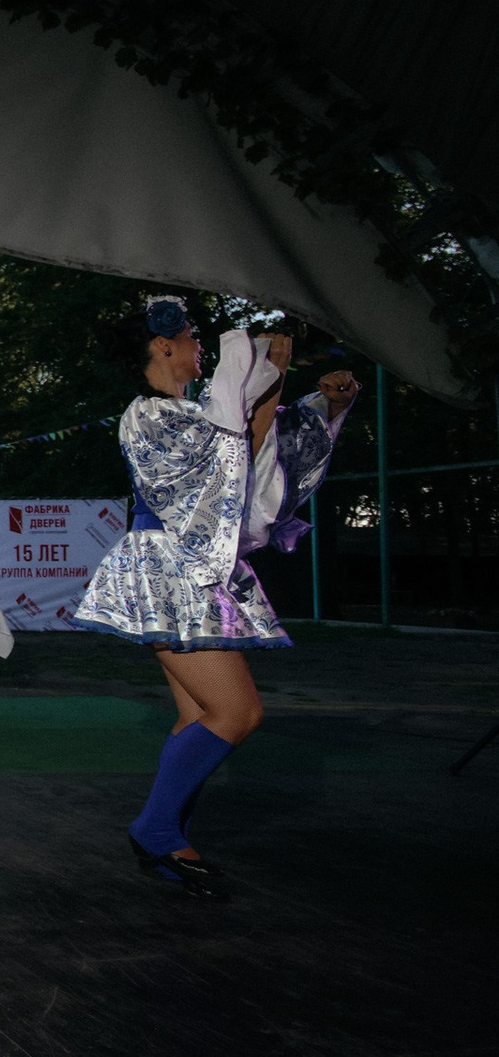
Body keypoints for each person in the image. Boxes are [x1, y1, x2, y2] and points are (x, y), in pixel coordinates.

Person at [73, 296, 359, 900]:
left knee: (199, 716)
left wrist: (324, 404)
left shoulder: (195, 414)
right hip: (173, 569)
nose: (200, 346)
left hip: (187, 569)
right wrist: (266, 379)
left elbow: (251, 449)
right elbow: (227, 454)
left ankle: (169, 837)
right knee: (237, 713)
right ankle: (155, 831)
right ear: (163, 345)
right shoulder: (148, 413)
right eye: (191, 336)